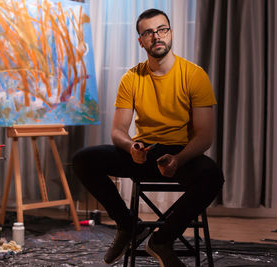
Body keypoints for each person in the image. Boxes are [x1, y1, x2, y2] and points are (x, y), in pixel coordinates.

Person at [73, 8, 224, 267]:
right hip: (144, 154)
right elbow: (118, 131)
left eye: (162, 29)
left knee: (212, 176)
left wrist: (178, 158)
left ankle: (162, 240)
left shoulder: (194, 75)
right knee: (83, 160)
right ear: (141, 40)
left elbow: (205, 136)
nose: (156, 36)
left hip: (181, 154)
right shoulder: (131, 77)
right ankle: (128, 224)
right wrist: (133, 147)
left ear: (171, 33)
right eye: (148, 32)